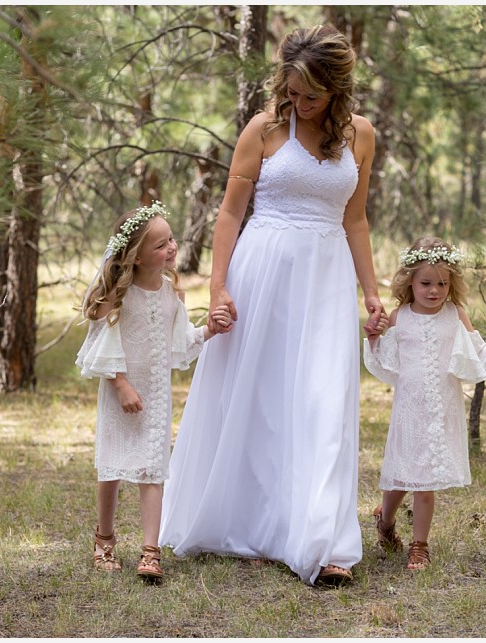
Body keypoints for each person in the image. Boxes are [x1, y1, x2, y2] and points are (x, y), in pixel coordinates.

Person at [159, 25, 384, 586]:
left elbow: (354, 219)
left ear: (337, 91)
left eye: (311, 96)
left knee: (323, 401)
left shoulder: (361, 135)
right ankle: (257, 525)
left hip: (325, 278)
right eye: (291, 91)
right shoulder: (262, 129)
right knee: (258, 399)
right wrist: (217, 286)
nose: (299, 104)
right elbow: (231, 213)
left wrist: (373, 292)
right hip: (260, 272)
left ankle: (323, 542)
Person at [76, 202, 232, 582]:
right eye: (161, 245)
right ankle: (104, 539)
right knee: (111, 468)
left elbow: (179, 346)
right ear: (138, 256)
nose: (172, 249)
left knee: (153, 470)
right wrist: (121, 384)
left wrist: (210, 329)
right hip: (121, 394)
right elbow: (101, 346)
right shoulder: (118, 296)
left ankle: (150, 551)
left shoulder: (169, 294)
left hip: (156, 396)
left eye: (172, 240)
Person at [363, 237, 486, 570]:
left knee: (427, 481)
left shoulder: (455, 314)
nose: (434, 290)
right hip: (410, 408)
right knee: (401, 478)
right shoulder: (399, 317)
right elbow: (385, 357)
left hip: (442, 407)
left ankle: (419, 546)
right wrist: (373, 336)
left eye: (441, 283)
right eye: (425, 283)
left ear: (451, 284)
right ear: (410, 281)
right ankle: (386, 522)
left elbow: (478, 347)